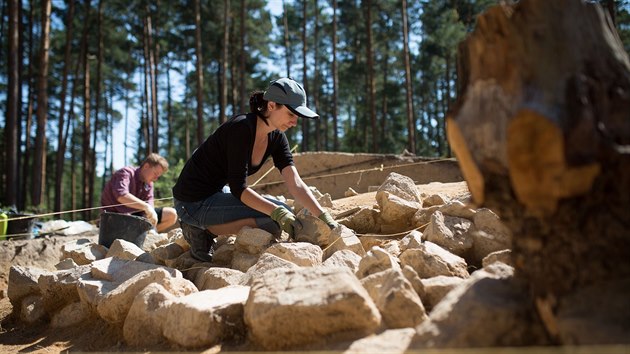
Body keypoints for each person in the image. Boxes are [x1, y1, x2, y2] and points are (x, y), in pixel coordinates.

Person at [172, 77, 338, 262]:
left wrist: (325, 218)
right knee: (275, 217)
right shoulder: (241, 128)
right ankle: (197, 228)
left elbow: (295, 182)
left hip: (217, 192)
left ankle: (208, 224)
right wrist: (277, 212)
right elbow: (239, 188)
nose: (295, 122)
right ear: (272, 105)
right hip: (192, 202)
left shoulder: (277, 137)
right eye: (291, 114)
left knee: (277, 215)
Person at [101, 153, 178, 233]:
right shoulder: (125, 173)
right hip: (114, 216)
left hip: (136, 215)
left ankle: (147, 234)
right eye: (155, 174)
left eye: (158, 176)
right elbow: (121, 196)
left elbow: (149, 204)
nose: (156, 179)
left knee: (171, 214)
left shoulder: (149, 183)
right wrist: (146, 206)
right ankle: (138, 234)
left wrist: (151, 214)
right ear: (146, 166)